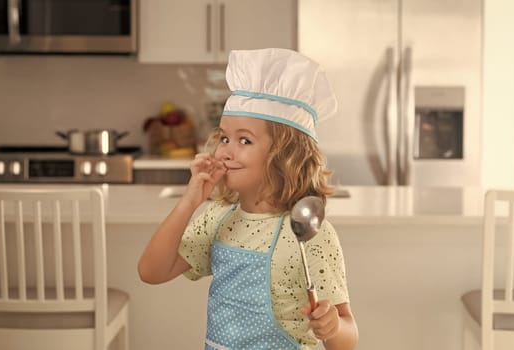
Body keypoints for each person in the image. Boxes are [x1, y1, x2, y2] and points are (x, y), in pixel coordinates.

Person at [138, 48, 358, 349]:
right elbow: (151, 272)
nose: (226, 150)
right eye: (224, 138)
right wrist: (189, 202)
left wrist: (332, 327)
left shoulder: (311, 235)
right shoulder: (217, 218)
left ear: (285, 155)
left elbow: (346, 339)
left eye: (244, 140)